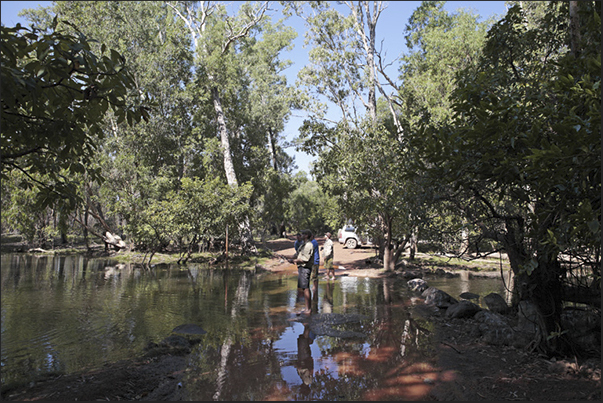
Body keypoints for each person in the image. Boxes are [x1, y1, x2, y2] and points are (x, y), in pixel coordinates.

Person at [288, 229, 314, 315]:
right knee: (303, 288)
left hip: (305, 268)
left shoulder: (309, 245)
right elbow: (297, 254)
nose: (301, 235)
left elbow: (305, 259)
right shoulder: (303, 244)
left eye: (303, 234)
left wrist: (294, 261)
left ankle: (308, 309)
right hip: (301, 268)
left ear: (306, 235)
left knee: (306, 288)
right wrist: (290, 259)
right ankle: (307, 308)